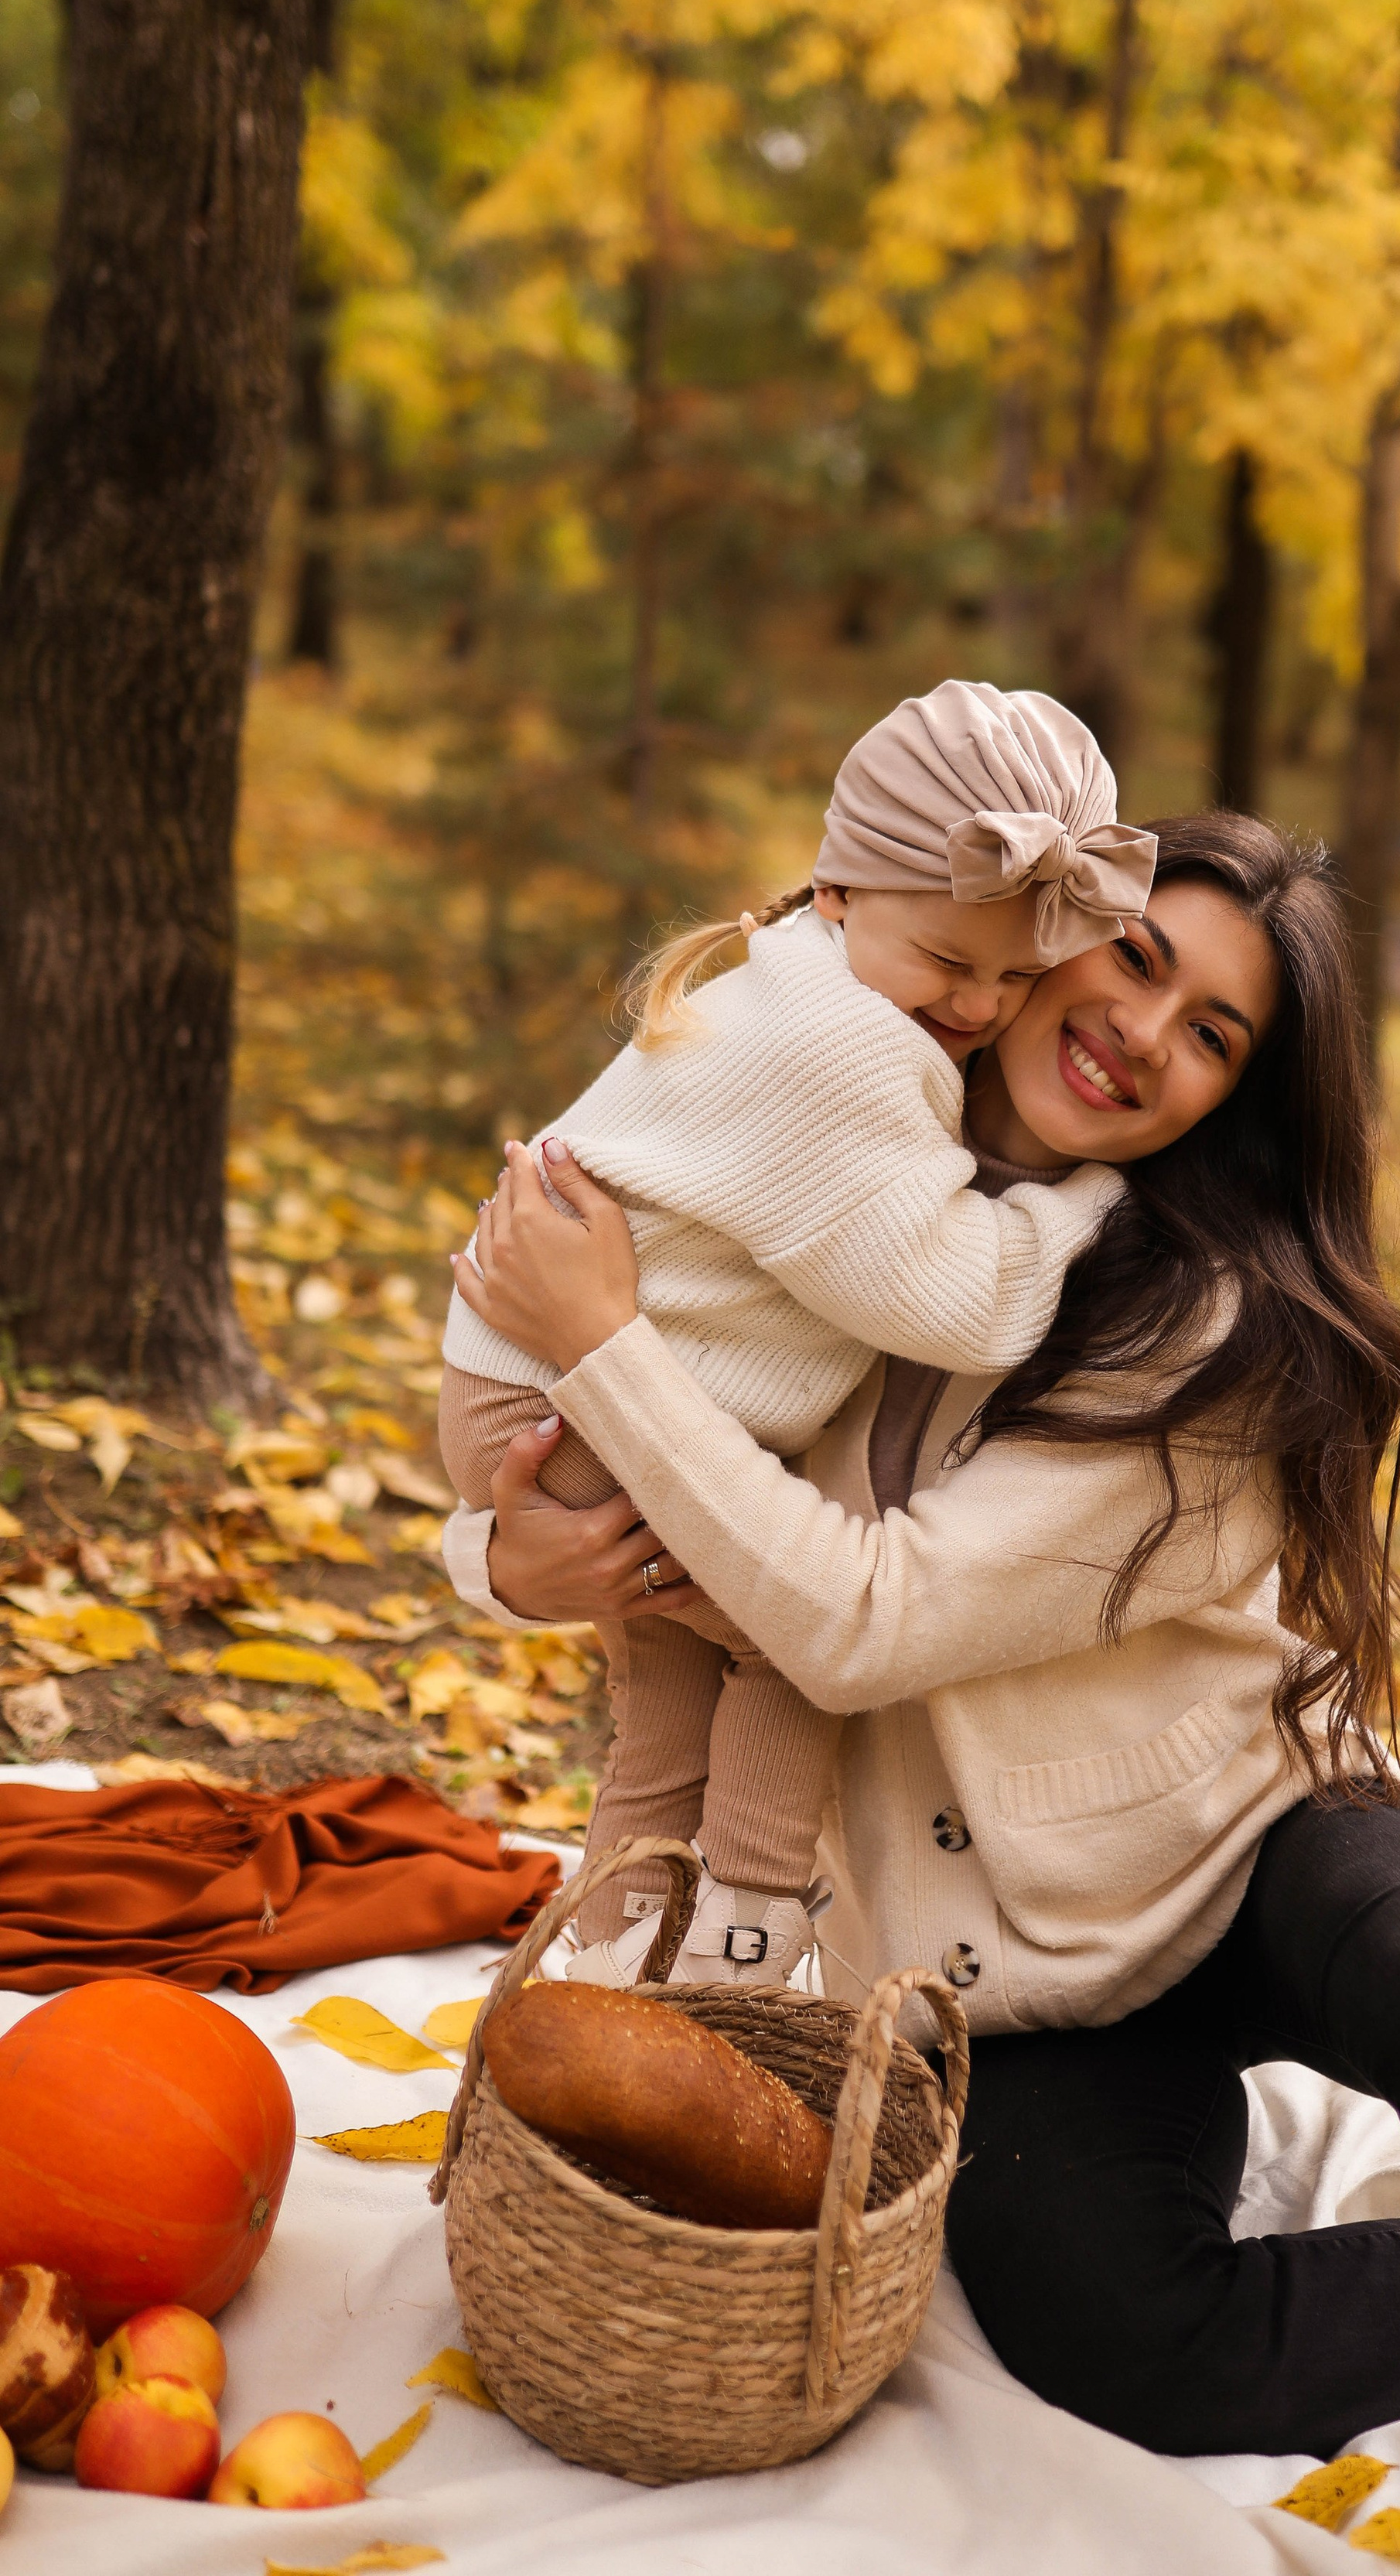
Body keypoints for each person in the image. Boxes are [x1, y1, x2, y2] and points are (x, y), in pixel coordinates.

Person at [448, 813, 1400, 2576]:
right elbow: (555, 1473)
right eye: (1137, 964)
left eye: (1213, 1038)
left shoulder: (1210, 1323)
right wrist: (499, 1562)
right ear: (1051, 934)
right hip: (997, 1956)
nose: (1143, 1039)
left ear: (1231, 1103)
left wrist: (602, 1343)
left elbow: (858, 1618)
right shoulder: (837, 1152)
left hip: (1255, 1835)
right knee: (1118, 2341)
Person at [438, 678, 1155, 1984]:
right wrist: (1093, 1201)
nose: (983, 1007)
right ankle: (749, 1941)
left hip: (538, 1382)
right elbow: (970, 1299)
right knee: (784, 1636)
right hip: (573, 1397)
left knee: (663, 1722)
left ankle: (605, 1965)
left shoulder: (816, 988)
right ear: (838, 890)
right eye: (950, 963)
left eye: (1016, 974)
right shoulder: (838, 1050)